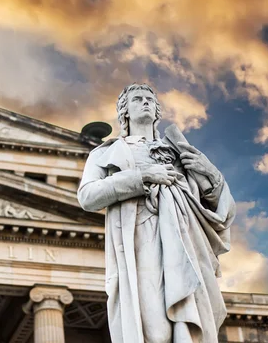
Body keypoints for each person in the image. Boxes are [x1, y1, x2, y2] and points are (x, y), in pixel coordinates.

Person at [78, 83, 236, 343]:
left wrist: (211, 173)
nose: (146, 102)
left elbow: (222, 211)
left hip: (189, 243)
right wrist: (142, 177)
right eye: (137, 99)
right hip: (142, 241)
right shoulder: (105, 153)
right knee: (155, 327)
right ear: (124, 111)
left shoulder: (181, 152)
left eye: (150, 99)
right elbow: (88, 196)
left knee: (198, 321)